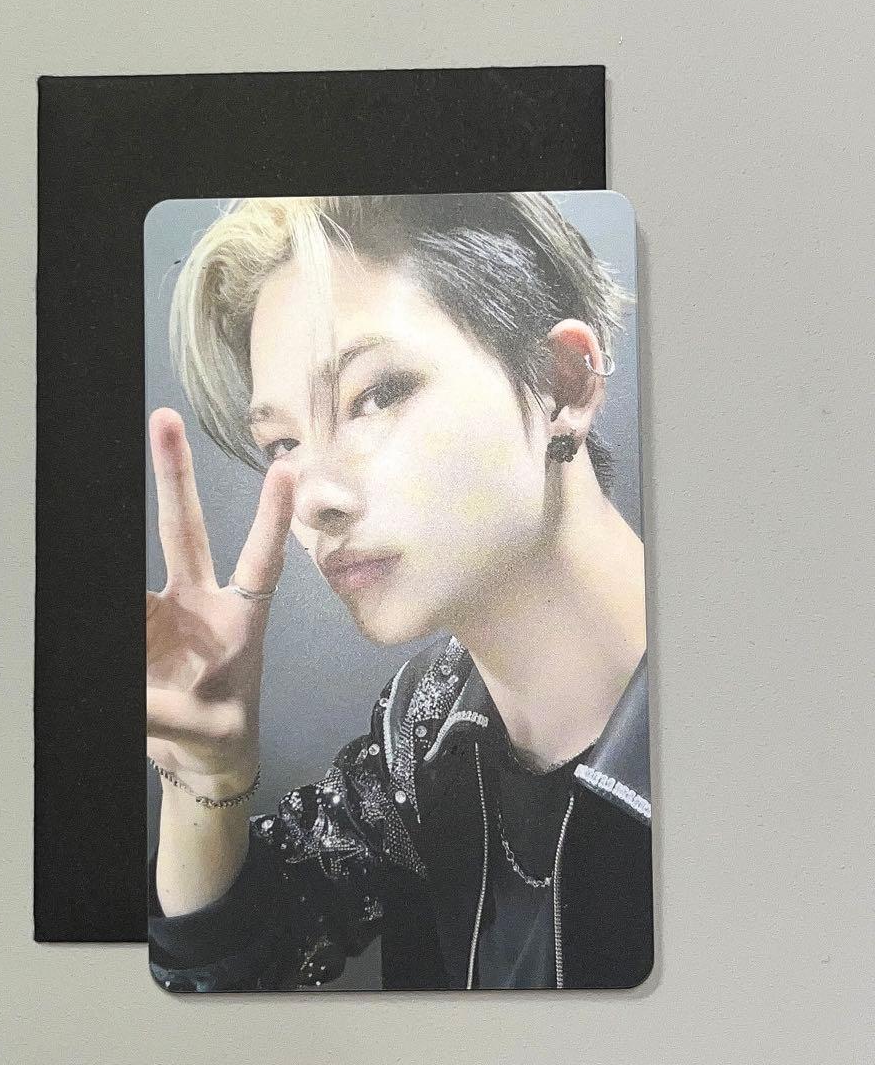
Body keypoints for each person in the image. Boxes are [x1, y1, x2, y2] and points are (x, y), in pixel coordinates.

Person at [145, 192, 651, 992]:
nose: (313, 497)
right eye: (283, 442)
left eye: (376, 394)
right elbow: (231, 964)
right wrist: (205, 782)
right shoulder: (424, 726)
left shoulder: (762, 732)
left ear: (562, 383)